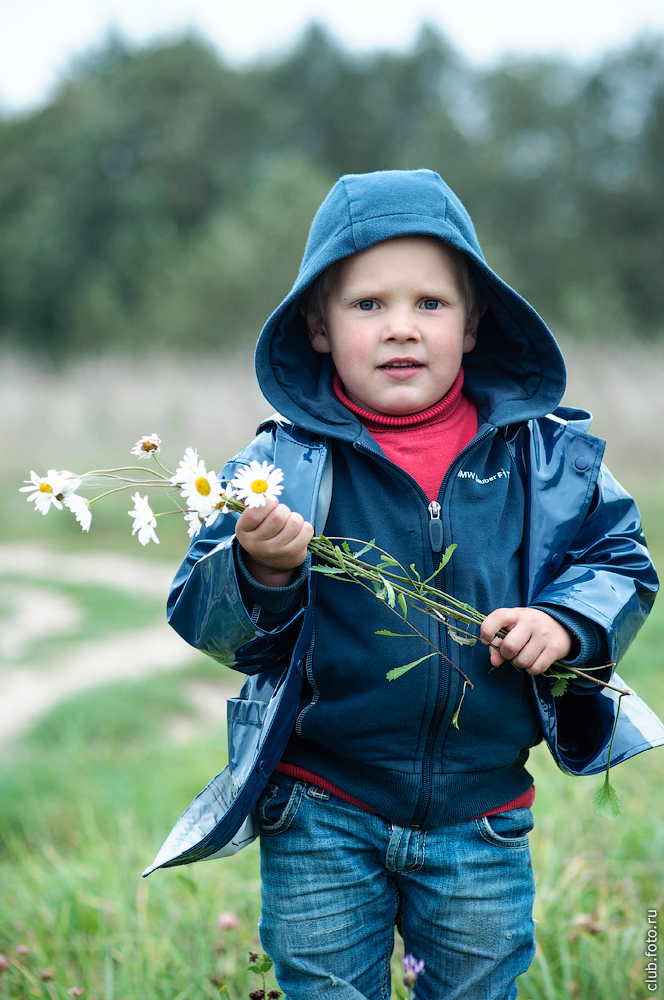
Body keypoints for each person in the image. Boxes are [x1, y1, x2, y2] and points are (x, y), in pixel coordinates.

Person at [154, 169, 660, 1000]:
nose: (401, 328)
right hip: (320, 804)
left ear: (475, 322)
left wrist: (566, 623)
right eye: (367, 305)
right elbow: (204, 618)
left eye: (431, 304)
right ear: (317, 326)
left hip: (481, 817)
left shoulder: (546, 455)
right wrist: (262, 568)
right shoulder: (278, 467)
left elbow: (621, 560)